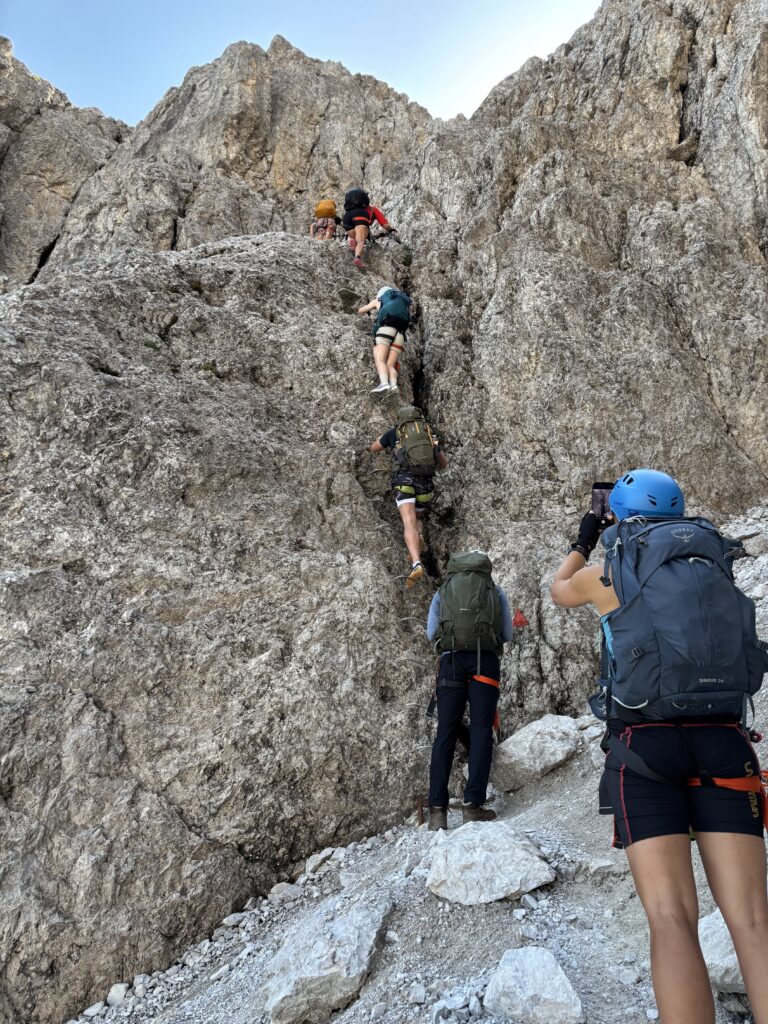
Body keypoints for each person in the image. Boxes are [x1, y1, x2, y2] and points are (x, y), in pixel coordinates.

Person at [551, 469, 768, 1024]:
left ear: (620, 514)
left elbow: (558, 590)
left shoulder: (609, 573)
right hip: (725, 743)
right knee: (752, 922)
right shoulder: (712, 563)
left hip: (644, 750)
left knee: (671, 919)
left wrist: (585, 537)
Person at [426, 550, 514, 830]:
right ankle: (473, 806)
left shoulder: (443, 592)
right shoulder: (494, 591)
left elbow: (431, 633)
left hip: (450, 662)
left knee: (445, 733)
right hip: (483, 662)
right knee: (480, 731)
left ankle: (437, 812)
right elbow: (507, 634)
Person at [369, 406, 447, 586]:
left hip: (404, 481)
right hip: (425, 484)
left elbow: (374, 448)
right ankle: (418, 539)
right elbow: (443, 464)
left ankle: (416, 562)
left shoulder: (395, 432)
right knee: (417, 518)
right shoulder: (428, 433)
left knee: (408, 522)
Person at [358, 285, 412, 394]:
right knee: (390, 365)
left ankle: (384, 384)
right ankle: (393, 386)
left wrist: (358, 309)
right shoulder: (402, 303)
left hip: (386, 330)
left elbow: (361, 310)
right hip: (400, 334)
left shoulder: (379, 300)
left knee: (380, 359)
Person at [342, 187, 397, 270]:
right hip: (360, 219)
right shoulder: (371, 209)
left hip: (347, 218)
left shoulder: (350, 210)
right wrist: (391, 230)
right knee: (361, 240)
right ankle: (357, 258)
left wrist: (379, 235)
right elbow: (384, 224)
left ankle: (351, 241)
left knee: (356, 234)